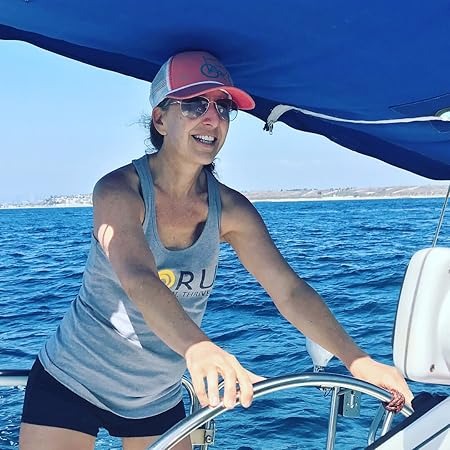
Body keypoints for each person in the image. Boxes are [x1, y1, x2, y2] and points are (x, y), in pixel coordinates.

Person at [19, 50, 413, 450]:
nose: (212, 118)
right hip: (73, 381)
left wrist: (357, 359)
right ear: (160, 118)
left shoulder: (231, 210)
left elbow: (289, 291)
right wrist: (200, 348)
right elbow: (138, 277)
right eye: (194, 104)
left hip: (155, 397)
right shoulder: (119, 191)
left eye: (222, 107)